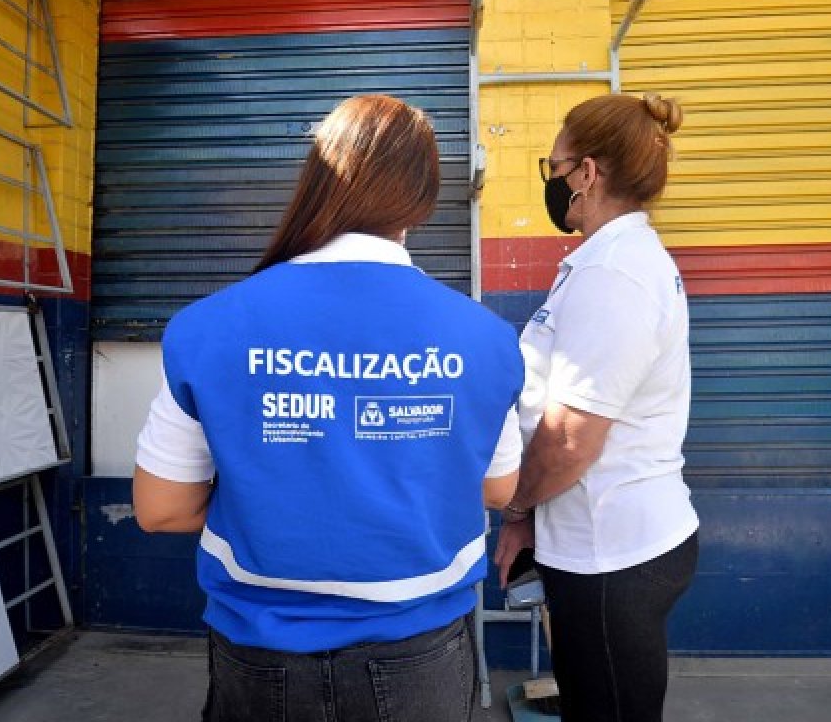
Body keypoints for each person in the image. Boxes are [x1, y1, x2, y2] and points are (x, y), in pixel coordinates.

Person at [132, 94, 525, 722]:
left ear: (316, 179)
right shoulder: (486, 339)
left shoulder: (206, 328)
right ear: (423, 200)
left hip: (258, 658)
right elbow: (500, 488)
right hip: (419, 658)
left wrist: (274, 494)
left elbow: (160, 509)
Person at [493, 92, 700, 722]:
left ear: (586, 173)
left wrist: (519, 509)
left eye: (553, 168)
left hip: (614, 555)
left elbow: (569, 438)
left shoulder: (616, 274)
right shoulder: (605, 262)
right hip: (601, 541)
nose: (551, 183)